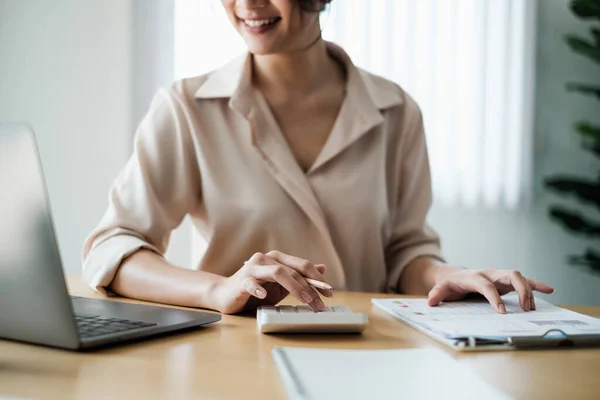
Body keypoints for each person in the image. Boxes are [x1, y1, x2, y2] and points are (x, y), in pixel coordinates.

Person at [82, 0, 554, 314]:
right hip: (231, 358)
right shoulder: (187, 108)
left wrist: (453, 276)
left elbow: (405, 255)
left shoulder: (395, 111)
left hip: (365, 354)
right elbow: (112, 248)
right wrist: (218, 289)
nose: (248, 4)